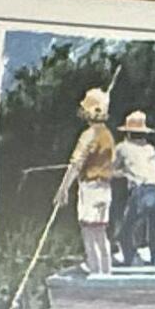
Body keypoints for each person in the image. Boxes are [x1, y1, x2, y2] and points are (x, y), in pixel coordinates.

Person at [65, 87, 117, 277]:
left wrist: (63, 189)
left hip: (90, 188)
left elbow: (76, 164)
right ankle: (106, 272)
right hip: (105, 189)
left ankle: (95, 273)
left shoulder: (88, 135)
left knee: (88, 232)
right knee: (101, 233)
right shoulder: (108, 136)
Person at [112, 109, 155, 266]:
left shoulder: (122, 147)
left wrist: (122, 173)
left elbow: (109, 171)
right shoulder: (150, 149)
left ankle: (133, 262)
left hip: (142, 192)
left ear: (128, 133)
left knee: (125, 233)